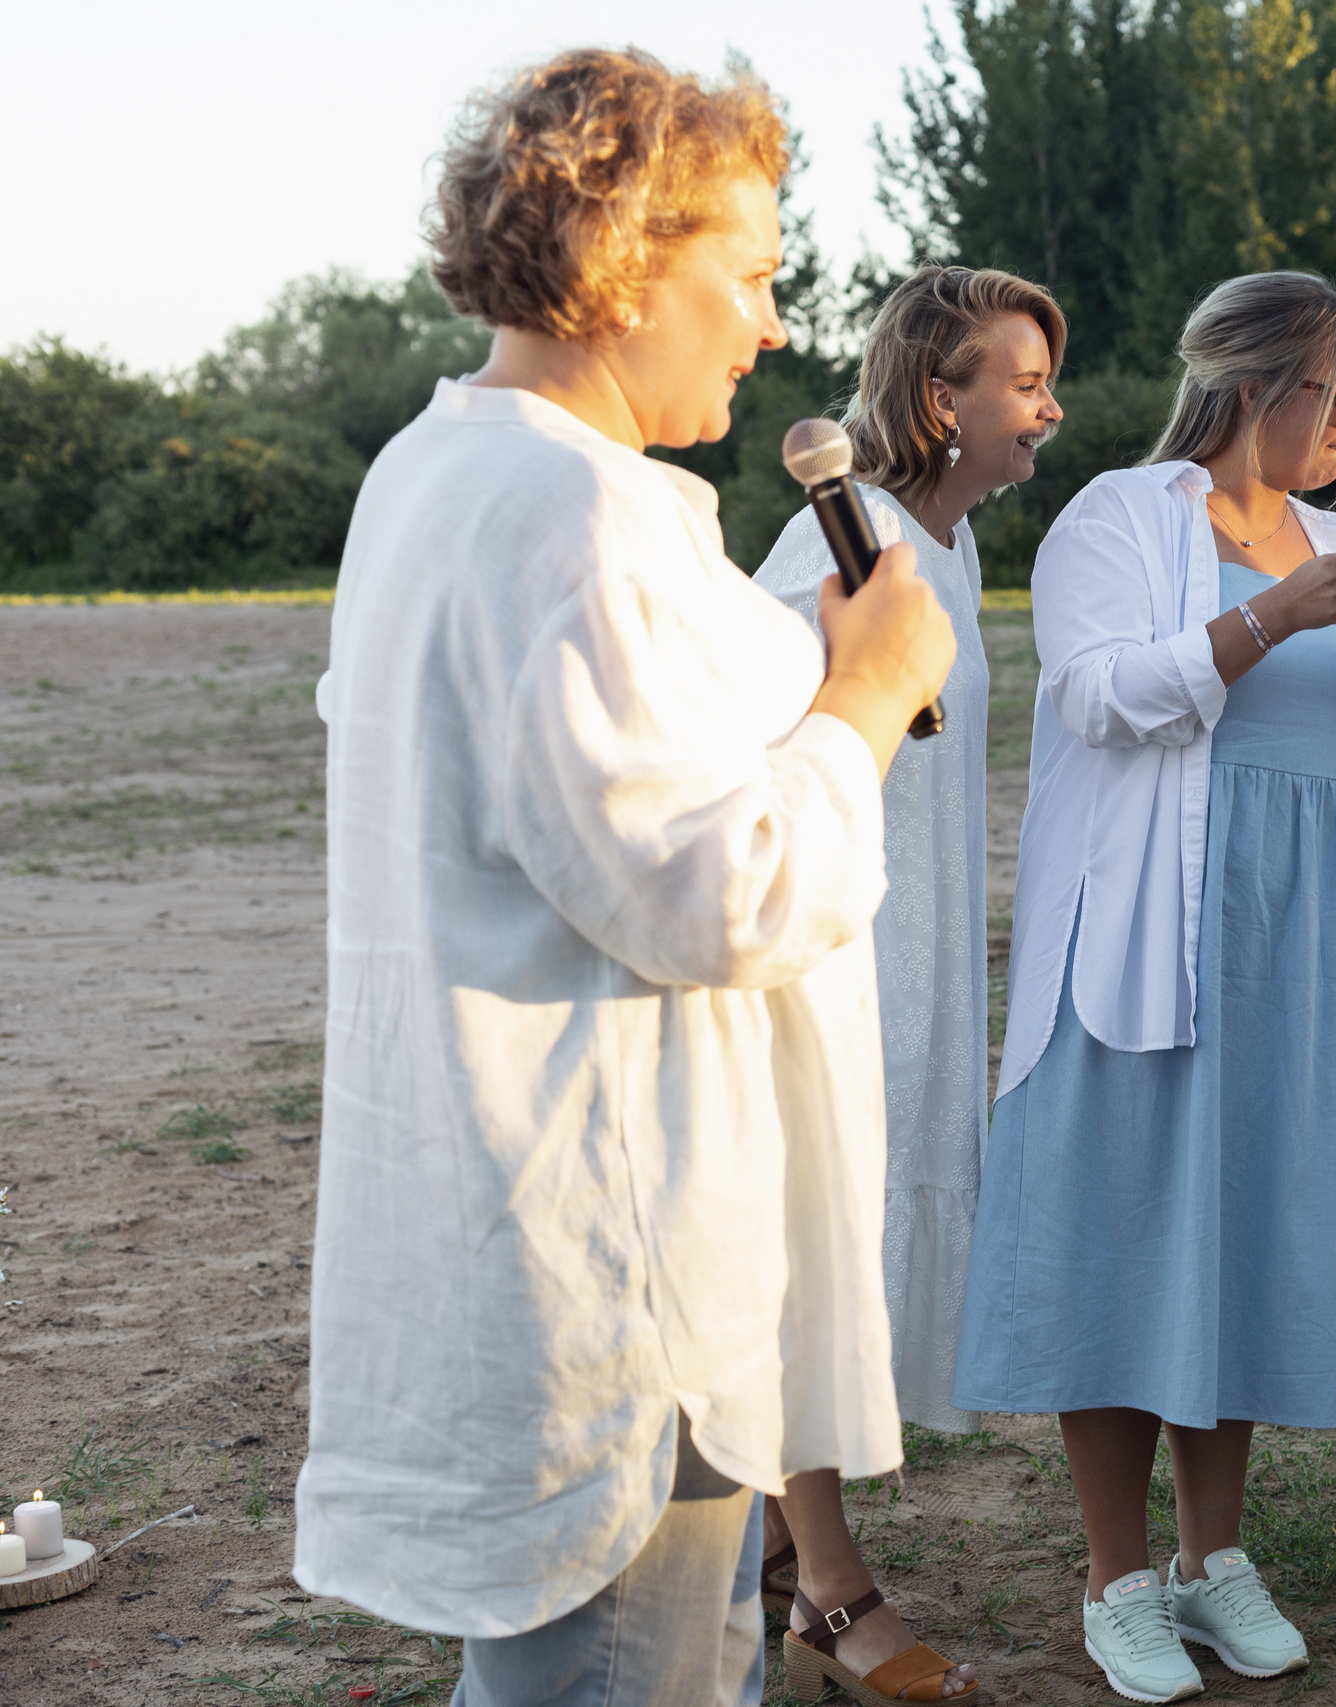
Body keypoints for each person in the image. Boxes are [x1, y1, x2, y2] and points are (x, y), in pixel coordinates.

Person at [294, 48, 955, 1707]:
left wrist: (806, 681)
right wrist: (867, 696)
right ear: (623, 260)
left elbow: (587, 794)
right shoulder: (557, 515)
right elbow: (705, 894)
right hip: (616, 1267)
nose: (772, 322)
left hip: (564, 1221)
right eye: (748, 274)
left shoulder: (440, 474)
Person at [951, 271, 1336, 1703]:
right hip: (1144, 928)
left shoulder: (1333, 537)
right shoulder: (1123, 513)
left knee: (1241, 1236)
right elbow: (1100, 693)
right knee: (1122, 1233)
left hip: (1288, 938)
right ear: (1260, 386)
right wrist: (1277, 613)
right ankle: (1116, 1575)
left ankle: (1211, 1554)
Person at [749, 265, 1065, 1701]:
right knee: (817, 1256)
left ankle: (764, 1544)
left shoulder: (952, 547)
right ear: (945, 398)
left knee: (859, 1252)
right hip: (836, 957)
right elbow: (760, 750)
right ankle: (831, 1588)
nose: (1050, 410)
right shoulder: (841, 542)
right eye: (1027, 382)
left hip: (920, 947)